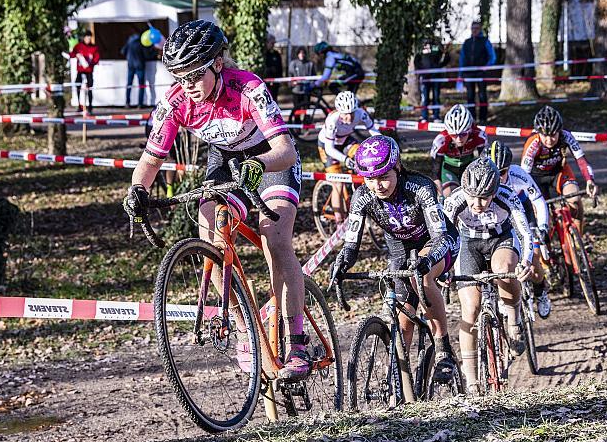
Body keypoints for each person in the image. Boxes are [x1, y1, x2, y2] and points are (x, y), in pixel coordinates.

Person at [123, 20, 309, 380]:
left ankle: (297, 341)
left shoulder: (248, 88)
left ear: (218, 64)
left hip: (270, 159)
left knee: (275, 235)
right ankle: (243, 326)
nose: (188, 85)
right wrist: (138, 191)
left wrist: (259, 163)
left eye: (195, 75)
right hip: (225, 161)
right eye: (180, 76)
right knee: (210, 228)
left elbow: (285, 150)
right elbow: (150, 159)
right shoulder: (176, 101)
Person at [332, 135, 461, 381]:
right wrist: (343, 262)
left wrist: (427, 260)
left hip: (437, 242)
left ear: (398, 168)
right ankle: (400, 383)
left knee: (420, 277)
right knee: (403, 324)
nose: (377, 185)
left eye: (383, 177)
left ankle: (443, 349)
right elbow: (351, 245)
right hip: (400, 249)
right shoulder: (362, 197)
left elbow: (440, 237)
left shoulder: (420, 187)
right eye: (370, 179)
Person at [443, 157, 534, 395]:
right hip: (469, 244)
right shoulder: (456, 201)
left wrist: (525, 262)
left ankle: (514, 322)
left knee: (504, 269)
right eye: (472, 196)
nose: (477, 203)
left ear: (494, 192)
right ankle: (472, 380)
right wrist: (442, 269)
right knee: (470, 310)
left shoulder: (507, 197)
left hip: (501, 239)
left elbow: (525, 233)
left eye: (484, 197)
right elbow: (442, 237)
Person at [485, 140, 552, 319]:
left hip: (523, 212)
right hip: (501, 220)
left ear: (509, 168)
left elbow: (537, 200)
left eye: (503, 172)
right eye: (495, 173)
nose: (499, 178)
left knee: (535, 259)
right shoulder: (484, 179)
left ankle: (540, 291)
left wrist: (542, 226)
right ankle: (502, 294)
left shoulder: (519, 174)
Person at [521, 105, 599, 235]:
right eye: (544, 135)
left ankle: (578, 242)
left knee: (575, 201)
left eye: (553, 135)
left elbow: (581, 160)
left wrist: (590, 180)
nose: (549, 140)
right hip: (536, 178)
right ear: (538, 132)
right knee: (543, 218)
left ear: (559, 131)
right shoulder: (533, 143)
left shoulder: (566, 136)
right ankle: (544, 250)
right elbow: (524, 175)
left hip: (559, 172)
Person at [317, 91, 381, 223]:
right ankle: (339, 221)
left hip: (345, 140)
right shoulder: (332, 120)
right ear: (339, 111)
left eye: (351, 113)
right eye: (345, 114)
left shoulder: (360, 113)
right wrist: (345, 160)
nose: (349, 117)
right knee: (338, 183)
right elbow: (330, 149)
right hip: (327, 146)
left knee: (362, 156)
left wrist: (381, 147)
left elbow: (374, 132)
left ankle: (359, 192)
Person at [430, 104, 487, 197]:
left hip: (468, 167)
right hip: (449, 170)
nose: (459, 139)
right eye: (454, 135)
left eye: (463, 134)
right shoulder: (441, 140)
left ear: (470, 130)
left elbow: (485, 162)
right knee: (450, 195)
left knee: (474, 194)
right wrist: (439, 194)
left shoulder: (479, 135)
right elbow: (435, 172)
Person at [459, 21, 496, 124]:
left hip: (481, 73)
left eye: (477, 28)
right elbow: (462, 59)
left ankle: (483, 118)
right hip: (468, 73)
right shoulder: (467, 42)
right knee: (470, 96)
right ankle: (472, 118)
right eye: (473, 28)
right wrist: (460, 74)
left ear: (480, 29)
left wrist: (486, 67)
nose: (474, 30)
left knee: (482, 95)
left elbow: (492, 57)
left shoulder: (485, 41)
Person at [414, 39, 450, 123]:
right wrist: (421, 70)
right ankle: (424, 117)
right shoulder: (421, 46)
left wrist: (439, 66)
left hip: (436, 76)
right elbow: (416, 60)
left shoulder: (437, 45)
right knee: (425, 98)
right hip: (425, 77)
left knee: (436, 97)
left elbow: (446, 57)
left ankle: (436, 116)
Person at [71, 30, 100, 114]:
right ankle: (80, 106)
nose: (88, 39)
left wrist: (91, 62)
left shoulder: (94, 48)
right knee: (78, 87)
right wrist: (76, 55)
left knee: (89, 88)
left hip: (89, 71)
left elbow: (96, 58)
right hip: (80, 71)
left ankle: (90, 106)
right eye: (87, 37)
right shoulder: (78, 46)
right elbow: (72, 54)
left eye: (89, 37)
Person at [121, 33, 148, 108]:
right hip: (140, 66)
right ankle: (140, 104)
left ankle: (127, 103)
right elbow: (146, 55)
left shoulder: (129, 42)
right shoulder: (141, 42)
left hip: (130, 65)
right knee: (141, 85)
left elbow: (122, 51)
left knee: (129, 85)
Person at [264, 34, 283, 102]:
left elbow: (280, 67)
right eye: (271, 43)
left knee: (274, 99)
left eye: (273, 43)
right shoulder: (264, 54)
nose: (272, 45)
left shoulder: (276, 54)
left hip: (275, 82)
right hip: (266, 81)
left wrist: (280, 79)